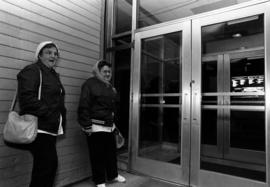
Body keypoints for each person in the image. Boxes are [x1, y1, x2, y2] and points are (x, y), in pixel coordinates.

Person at [17, 41, 66, 187]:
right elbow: (27, 99)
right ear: (39, 55)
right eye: (49, 52)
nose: (53, 56)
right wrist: (50, 113)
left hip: (49, 127)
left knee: (46, 168)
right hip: (39, 127)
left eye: (55, 53)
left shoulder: (52, 74)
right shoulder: (32, 70)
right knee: (46, 167)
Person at [77, 60, 126, 187]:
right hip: (95, 126)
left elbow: (112, 109)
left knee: (111, 153)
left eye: (109, 71)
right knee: (97, 155)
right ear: (98, 71)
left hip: (109, 126)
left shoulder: (109, 86)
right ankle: (99, 181)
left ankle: (113, 175)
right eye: (105, 71)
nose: (108, 74)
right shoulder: (89, 84)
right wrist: (86, 125)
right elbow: (84, 105)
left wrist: (114, 126)